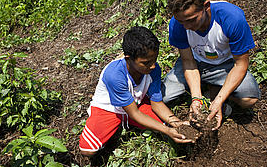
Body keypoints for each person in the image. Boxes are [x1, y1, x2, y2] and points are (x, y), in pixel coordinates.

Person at [162, 0, 261, 130]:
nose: (187, 26)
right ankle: (206, 89)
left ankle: (215, 92)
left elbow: (240, 64)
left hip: (225, 65)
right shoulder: (177, 24)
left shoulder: (231, 18)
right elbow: (188, 61)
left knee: (249, 99)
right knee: (164, 96)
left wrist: (219, 101)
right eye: (182, 22)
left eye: (191, 20)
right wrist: (196, 98)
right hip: (196, 63)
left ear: (206, 6)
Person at [79, 26, 193, 157]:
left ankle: (131, 124)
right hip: (111, 109)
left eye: (154, 60)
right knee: (88, 150)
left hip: (136, 104)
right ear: (128, 59)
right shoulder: (114, 75)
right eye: (145, 63)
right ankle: (117, 126)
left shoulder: (153, 70)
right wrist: (167, 131)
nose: (153, 66)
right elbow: (134, 113)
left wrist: (177, 124)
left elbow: (157, 103)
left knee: (166, 124)